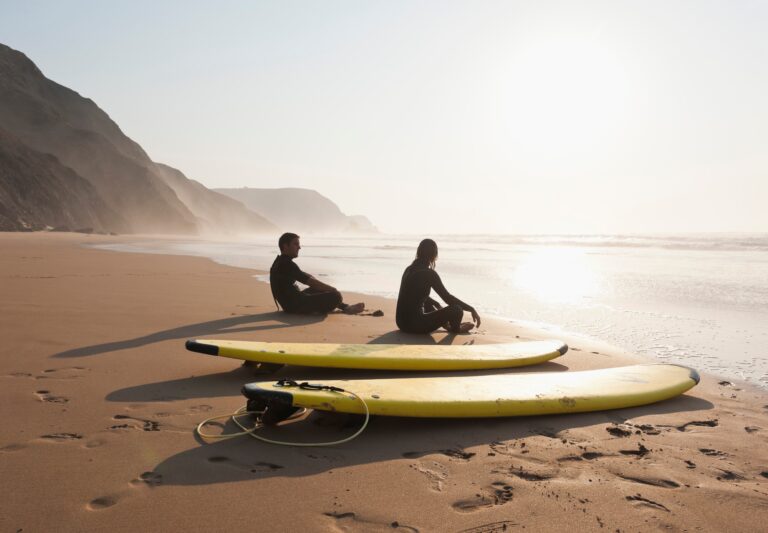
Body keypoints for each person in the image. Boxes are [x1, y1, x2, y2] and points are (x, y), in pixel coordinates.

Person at [396, 238, 481, 334]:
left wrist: (435, 303)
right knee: (457, 309)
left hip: (401, 324)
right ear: (434, 255)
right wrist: (471, 309)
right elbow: (448, 298)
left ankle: (447, 325)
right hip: (416, 326)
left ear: (418, 252)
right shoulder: (429, 273)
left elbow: (412, 294)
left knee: (429, 302)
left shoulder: (409, 269)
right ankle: (456, 329)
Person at [270, 232, 365, 315]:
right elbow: (310, 281)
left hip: (291, 303)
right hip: (295, 306)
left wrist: (314, 282)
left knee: (317, 288)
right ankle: (345, 307)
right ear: (285, 246)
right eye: (295, 244)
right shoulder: (286, 264)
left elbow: (303, 275)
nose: (299, 247)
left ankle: (346, 307)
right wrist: (333, 290)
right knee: (336, 296)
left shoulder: (280, 261)